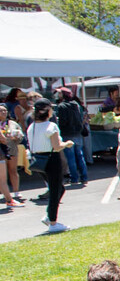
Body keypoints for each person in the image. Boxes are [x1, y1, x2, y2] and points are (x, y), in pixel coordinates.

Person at [27, 98, 74, 233]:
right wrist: (67, 143)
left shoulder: (32, 127)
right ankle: (52, 222)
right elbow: (57, 146)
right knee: (55, 190)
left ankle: (49, 216)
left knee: (59, 189)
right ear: (47, 111)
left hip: (38, 160)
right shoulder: (51, 126)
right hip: (51, 159)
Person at [54, 87, 88, 186]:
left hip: (67, 133)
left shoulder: (61, 106)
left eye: (59, 93)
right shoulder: (76, 104)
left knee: (71, 157)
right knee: (80, 156)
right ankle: (84, 177)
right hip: (77, 133)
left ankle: (74, 178)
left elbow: (62, 121)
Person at [0, 103, 24, 207]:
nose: (4, 112)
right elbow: (3, 139)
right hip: (2, 151)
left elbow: (20, 135)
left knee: (13, 170)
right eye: (1, 111)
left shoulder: (12, 123)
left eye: (5, 110)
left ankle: (15, 192)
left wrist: (17, 137)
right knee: (2, 178)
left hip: (12, 149)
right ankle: (8, 197)